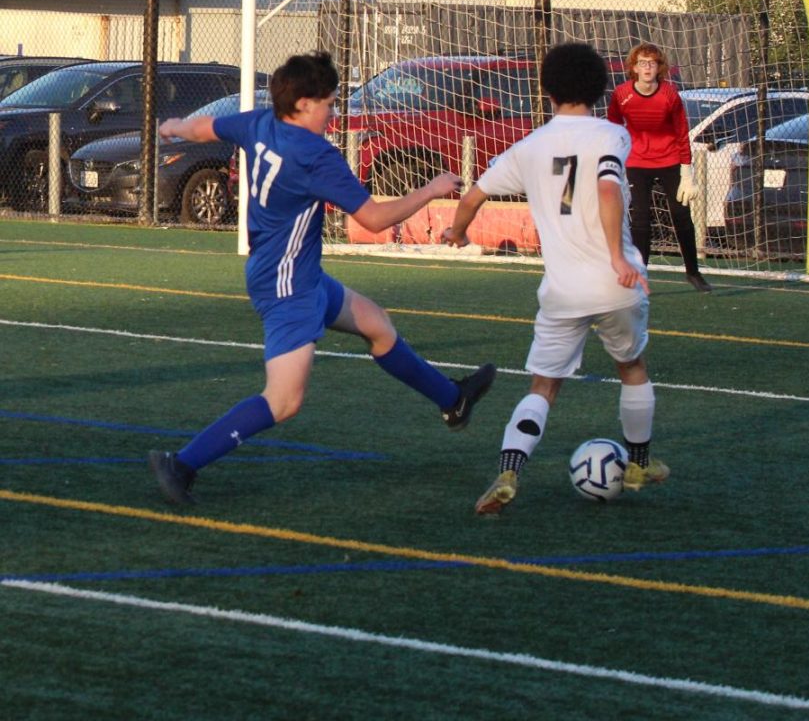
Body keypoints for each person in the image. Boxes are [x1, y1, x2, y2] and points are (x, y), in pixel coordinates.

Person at [148, 51, 495, 507]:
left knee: (376, 323)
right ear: (305, 104)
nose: (333, 114)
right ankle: (182, 463)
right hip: (289, 285)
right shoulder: (314, 155)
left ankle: (453, 400)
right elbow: (372, 219)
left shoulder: (261, 123)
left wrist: (172, 126)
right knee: (284, 400)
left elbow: (202, 129)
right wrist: (429, 189)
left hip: (290, 272)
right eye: (330, 104)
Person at [442, 42, 668, 516]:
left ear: (545, 89)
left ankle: (509, 471)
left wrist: (457, 231)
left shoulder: (528, 147)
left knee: (542, 386)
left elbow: (474, 196)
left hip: (563, 290)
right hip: (615, 283)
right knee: (631, 367)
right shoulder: (611, 135)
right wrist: (615, 256)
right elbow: (608, 187)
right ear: (602, 90)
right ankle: (638, 465)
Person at [607, 43, 712, 293]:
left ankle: (693, 272)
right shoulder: (622, 94)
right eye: (642, 63)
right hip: (636, 163)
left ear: (659, 67)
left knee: (681, 215)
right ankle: (641, 275)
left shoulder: (669, 94)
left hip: (669, 161)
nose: (647, 67)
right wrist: (614, 161)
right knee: (641, 218)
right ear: (634, 67)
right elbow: (612, 128)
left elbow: (681, 132)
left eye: (652, 63)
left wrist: (687, 173)